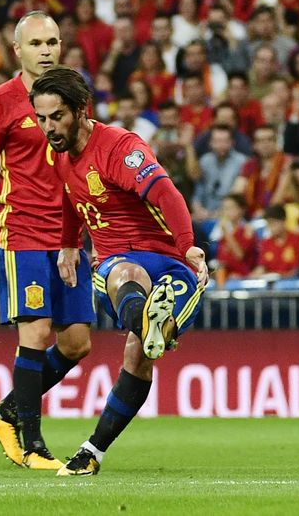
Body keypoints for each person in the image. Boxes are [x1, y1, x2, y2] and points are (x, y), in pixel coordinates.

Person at [30, 66, 209, 476]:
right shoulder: (60, 155)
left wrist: (188, 246)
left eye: (56, 116)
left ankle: (92, 452)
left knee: (137, 354)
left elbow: (166, 193)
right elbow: (71, 197)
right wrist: (69, 243)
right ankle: (154, 325)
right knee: (127, 276)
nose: (49, 127)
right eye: (41, 118)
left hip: (173, 260)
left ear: (81, 110)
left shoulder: (119, 148)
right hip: (116, 260)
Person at [0, 11, 94, 471]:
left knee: (77, 343)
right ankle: (33, 445)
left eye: (52, 42)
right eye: (36, 43)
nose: (46, 50)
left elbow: (84, 161)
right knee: (36, 331)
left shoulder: (74, 96)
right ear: (17, 50)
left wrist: (91, 232)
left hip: (69, 236)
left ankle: (5, 412)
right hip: (22, 233)